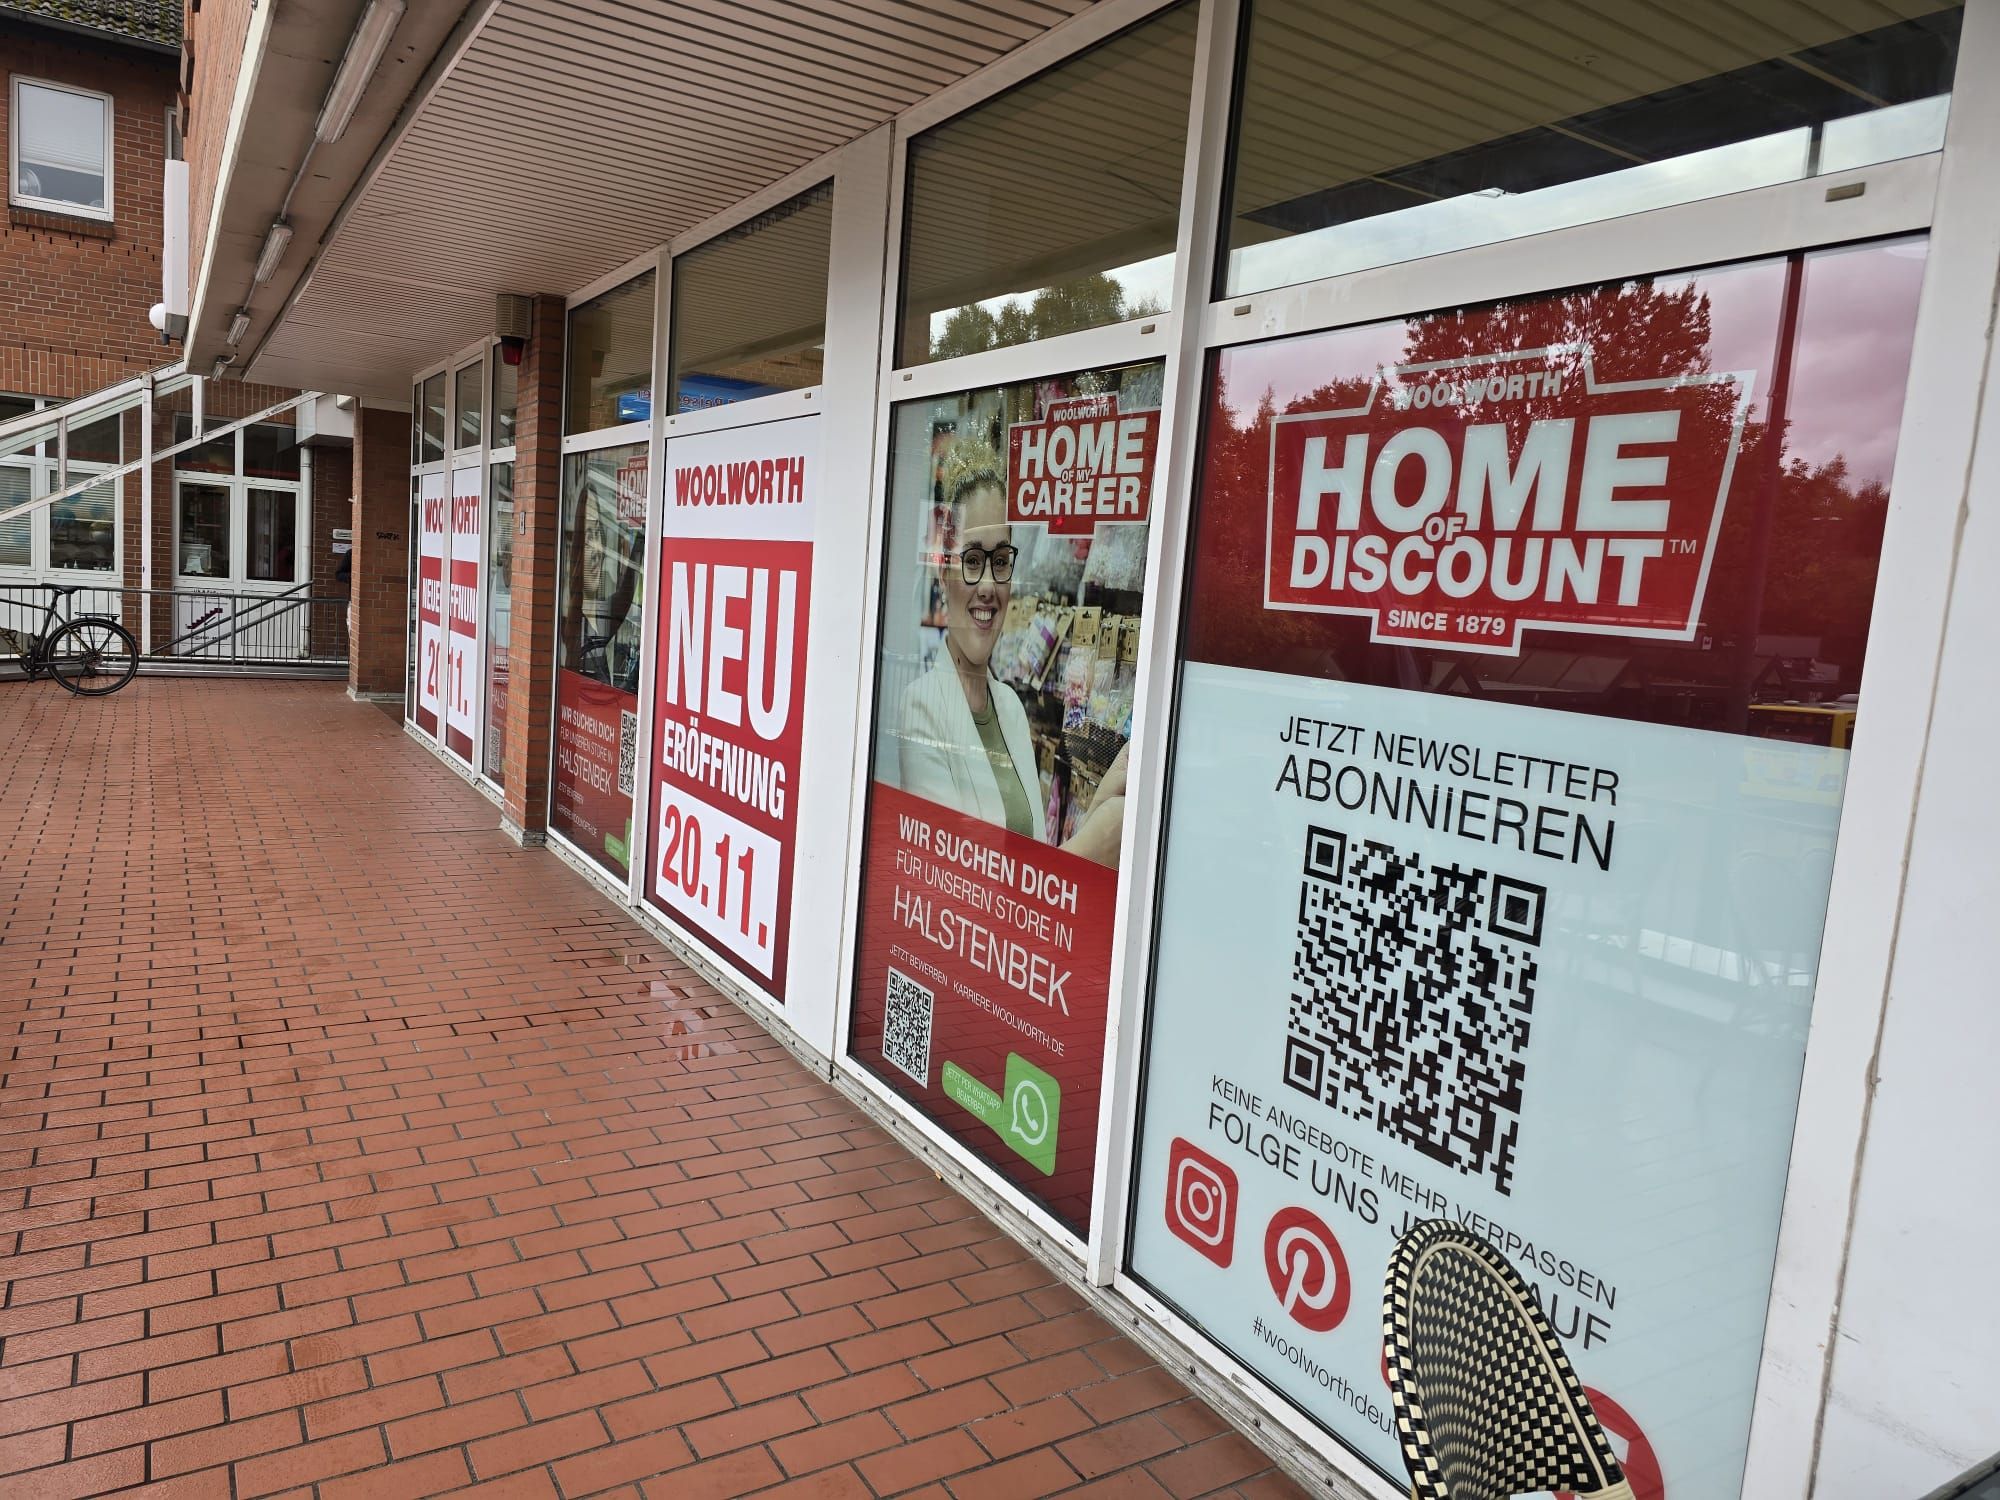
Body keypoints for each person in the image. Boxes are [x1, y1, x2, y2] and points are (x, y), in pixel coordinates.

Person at [899, 446, 1128, 867]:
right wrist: (1091, 848)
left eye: (1001, 561)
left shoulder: (1010, 708)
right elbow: (957, 888)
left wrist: (1102, 806)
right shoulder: (921, 708)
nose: (989, 584)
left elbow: (1032, 862)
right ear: (943, 571)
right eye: (972, 560)